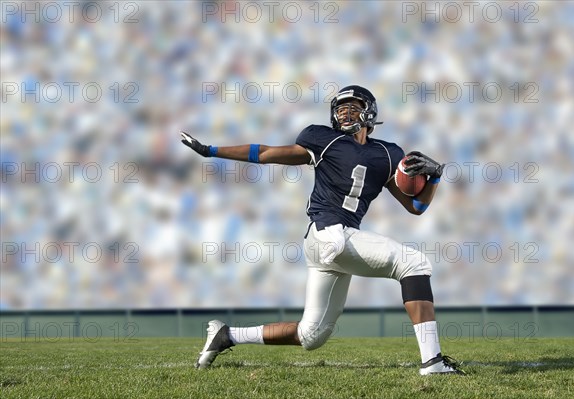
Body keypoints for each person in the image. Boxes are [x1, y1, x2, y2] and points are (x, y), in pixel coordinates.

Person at [181, 85, 465, 375]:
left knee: (311, 335)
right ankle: (433, 361)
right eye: (341, 109)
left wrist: (435, 177)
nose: (345, 113)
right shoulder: (324, 140)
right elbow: (266, 153)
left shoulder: (387, 154)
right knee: (414, 263)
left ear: (369, 111)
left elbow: (416, 206)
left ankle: (227, 335)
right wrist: (211, 150)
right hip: (328, 233)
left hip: (334, 243)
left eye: (353, 107)